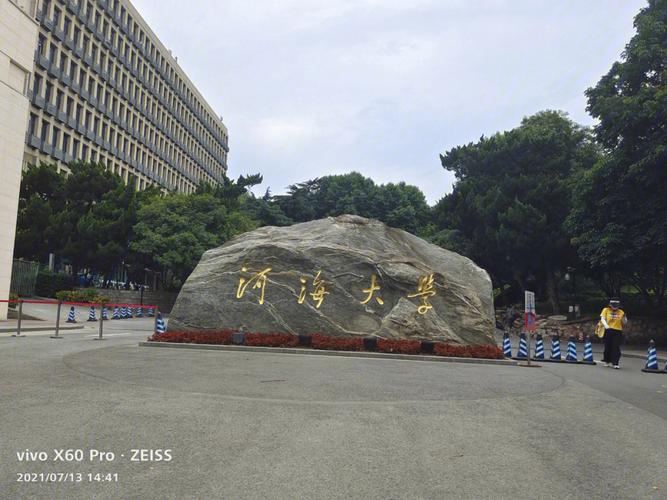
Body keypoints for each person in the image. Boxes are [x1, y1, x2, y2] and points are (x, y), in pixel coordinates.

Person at [600, 298, 628, 369]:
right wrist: (606, 326)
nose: (615, 307)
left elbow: (624, 322)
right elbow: (602, 318)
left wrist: (624, 317)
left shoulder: (621, 312)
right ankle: (607, 361)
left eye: (616, 306)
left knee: (615, 347)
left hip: (617, 330)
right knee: (607, 346)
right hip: (608, 330)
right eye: (613, 306)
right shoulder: (606, 310)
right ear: (610, 305)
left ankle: (615, 363)